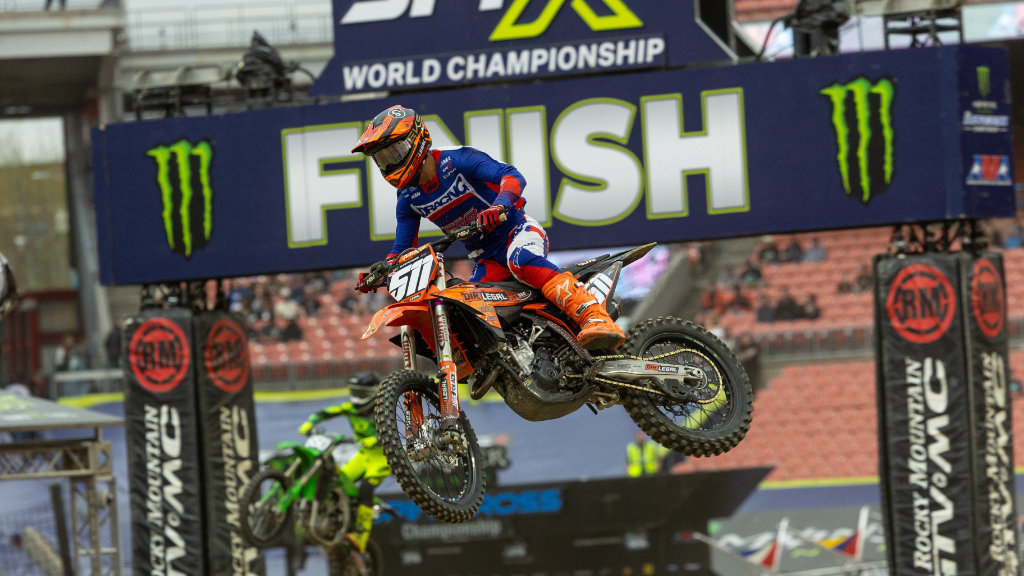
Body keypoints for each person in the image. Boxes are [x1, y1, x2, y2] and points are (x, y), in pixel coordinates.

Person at [351, 105, 624, 350]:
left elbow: (511, 176)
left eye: (394, 151)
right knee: (473, 310)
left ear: (418, 139)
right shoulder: (407, 200)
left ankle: (594, 317)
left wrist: (500, 205)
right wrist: (382, 272)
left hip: (518, 233)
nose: (389, 163)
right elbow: (402, 251)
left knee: (522, 261)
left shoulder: (457, 160)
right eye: (382, 158)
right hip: (485, 256)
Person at [297, 372, 390, 557]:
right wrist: (310, 423)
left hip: (381, 458)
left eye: (362, 393)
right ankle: (336, 519)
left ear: (373, 392)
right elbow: (325, 413)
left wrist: (376, 439)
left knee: (365, 488)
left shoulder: (383, 408)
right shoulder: (350, 408)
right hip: (362, 456)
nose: (358, 397)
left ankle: (361, 535)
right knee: (337, 481)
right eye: (356, 392)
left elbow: (393, 432)